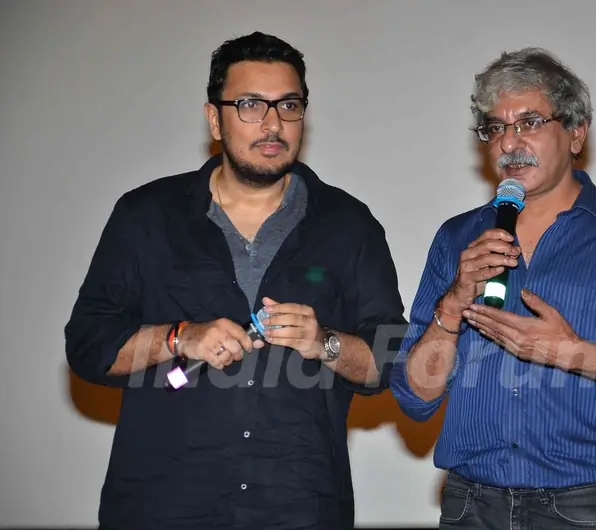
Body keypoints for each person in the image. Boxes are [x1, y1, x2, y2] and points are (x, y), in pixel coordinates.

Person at [65, 32, 407, 530]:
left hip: (301, 507)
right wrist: (179, 337)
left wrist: (325, 342)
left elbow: (392, 361)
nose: (273, 123)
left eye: (288, 105)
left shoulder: (350, 225)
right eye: (250, 105)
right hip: (162, 506)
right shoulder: (146, 216)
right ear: (214, 119)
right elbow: (88, 346)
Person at [390, 47, 596, 529]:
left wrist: (573, 353)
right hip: (471, 506)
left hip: (584, 508)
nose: (509, 142)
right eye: (496, 127)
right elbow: (415, 396)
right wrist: (451, 306)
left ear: (576, 133)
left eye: (529, 122)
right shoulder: (456, 238)